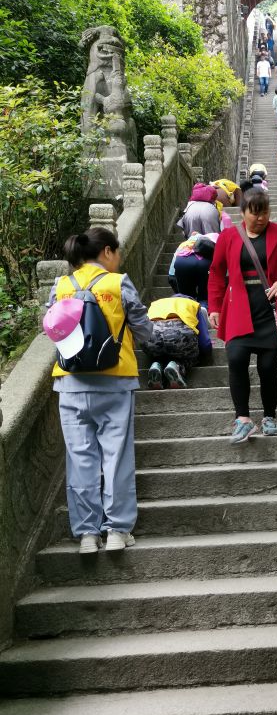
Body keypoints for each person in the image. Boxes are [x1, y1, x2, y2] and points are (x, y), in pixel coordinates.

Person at [44, 226, 153, 554]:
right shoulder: (117, 283)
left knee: (81, 459)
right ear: (106, 251)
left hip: (71, 383)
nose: (118, 259)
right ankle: (117, 531)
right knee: (116, 457)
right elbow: (144, 330)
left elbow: (50, 327)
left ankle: (88, 535)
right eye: (116, 252)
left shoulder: (61, 286)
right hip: (115, 381)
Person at [207, 185, 277, 444]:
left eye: (265, 212)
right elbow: (217, 273)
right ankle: (242, 419)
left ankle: (270, 417)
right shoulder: (229, 236)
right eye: (255, 213)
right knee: (236, 359)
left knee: (267, 366)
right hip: (239, 307)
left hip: (270, 309)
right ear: (243, 213)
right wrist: (215, 307)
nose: (261, 218)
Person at [144, 294, 213, 389]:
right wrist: (207, 357)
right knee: (188, 355)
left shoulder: (155, 304)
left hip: (151, 337)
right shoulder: (193, 304)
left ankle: (156, 364)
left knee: (159, 352)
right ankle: (178, 367)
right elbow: (205, 343)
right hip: (179, 335)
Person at [168, 232, 218, 307]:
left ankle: (188, 314)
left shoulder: (185, 243)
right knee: (204, 296)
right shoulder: (215, 237)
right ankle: (203, 312)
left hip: (181, 262)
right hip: (204, 264)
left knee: (186, 297)